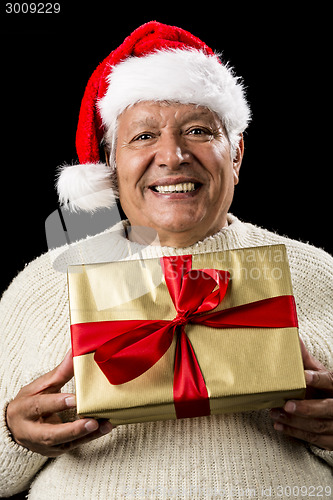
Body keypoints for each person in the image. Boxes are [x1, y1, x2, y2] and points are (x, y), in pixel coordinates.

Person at [1, 21, 332, 499]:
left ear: (236, 154)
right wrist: (14, 435)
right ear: (111, 166)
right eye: (143, 137)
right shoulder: (44, 285)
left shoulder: (319, 275)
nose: (172, 156)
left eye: (198, 131)